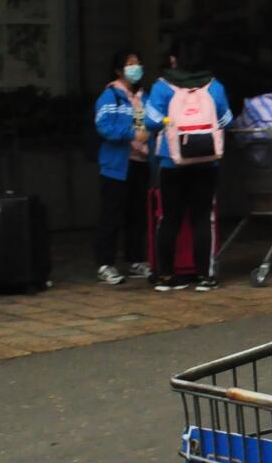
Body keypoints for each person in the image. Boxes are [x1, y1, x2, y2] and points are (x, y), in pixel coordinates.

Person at [145, 42, 231, 292]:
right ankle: (205, 276)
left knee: (169, 219)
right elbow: (226, 119)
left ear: (175, 59)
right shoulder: (214, 86)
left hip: (172, 161)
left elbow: (150, 122)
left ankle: (165, 276)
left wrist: (169, 121)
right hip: (207, 161)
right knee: (202, 218)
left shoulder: (162, 87)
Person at [92, 48, 152, 285]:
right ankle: (105, 264)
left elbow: (153, 123)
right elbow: (104, 127)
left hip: (141, 162)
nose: (135, 68)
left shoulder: (145, 97)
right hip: (116, 165)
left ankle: (136, 259)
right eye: (129, 64)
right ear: (119, 70)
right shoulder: (111, 96)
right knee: (111, 215)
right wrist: (131, 134)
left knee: (137, 214)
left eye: (137, 63)